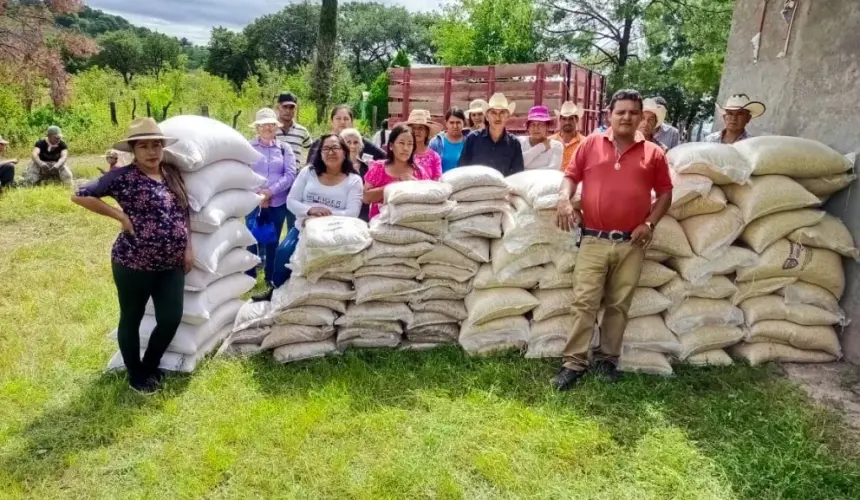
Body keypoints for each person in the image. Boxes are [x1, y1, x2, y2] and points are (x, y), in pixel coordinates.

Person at [552, 89, 673, 391]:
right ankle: (573, 363)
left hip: (632, 244)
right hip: (593, 239)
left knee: (619, 305)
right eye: (621, 112)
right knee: (584, 302)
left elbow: (666, 193)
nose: (627, 117)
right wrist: (564, 200)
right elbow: (571, 175)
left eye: (633, 112)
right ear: (610, 115)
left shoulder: (653, 153)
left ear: (641, 116)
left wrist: (649, 223)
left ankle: (608, 360)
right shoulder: (591, 143)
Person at [71, 118, 192, 394]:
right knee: (132, 317)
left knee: (171, 317)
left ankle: (150, 364)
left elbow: (185, 211)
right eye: (144, 146)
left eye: (156, 145)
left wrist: (188, 247)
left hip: (171, 264)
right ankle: (136, 375)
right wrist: (119, 215)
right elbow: (80, 195)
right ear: (133, 150)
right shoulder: (122, 177)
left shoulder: (172, 173)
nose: (151, 152)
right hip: (133, 262)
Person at [264, 134, 364, 296]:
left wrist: (320, 217)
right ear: (320, 153)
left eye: (335, 148)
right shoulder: (308, 173)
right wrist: (309, 211)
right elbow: (291, 201)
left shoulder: (353, 180)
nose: (331, 152)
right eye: (326, 148)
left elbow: (352, 213)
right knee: (283, 253)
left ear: (344, 152)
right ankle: (276, 293)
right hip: (302, 229)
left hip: (336, 232)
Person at [246, 108, 297, 287]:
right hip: (253, 201)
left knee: (273, 240)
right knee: (251, 238)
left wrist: (270, 192)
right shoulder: (249, 148)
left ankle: (270, 276)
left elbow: (290, 174)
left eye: (271, 124)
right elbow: (244, 172)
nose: (267, 128)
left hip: (278, 202)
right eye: (263, 125)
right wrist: (259, 193)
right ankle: (249, 275)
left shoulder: (284, 149)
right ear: (257, 128)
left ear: (276, 127)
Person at [363, 124, 432, 220]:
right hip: (380, 226)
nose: (406, 148)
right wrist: (395, 186)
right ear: (391, 146)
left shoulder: (419, 172)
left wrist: (415, 183)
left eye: (410, 144)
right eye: (401, 143)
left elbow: (430, 197)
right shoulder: (378, 168)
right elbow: (366, 198)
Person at [457, 93, 524, 176]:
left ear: (507, 117)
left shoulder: (514, 143)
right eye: (493, 113)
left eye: (502, 113)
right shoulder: (473, 139)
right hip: (476, 187)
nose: (498, 117)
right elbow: (462, 168)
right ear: (487, 117)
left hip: (502, 188)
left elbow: (517, 174)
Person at [306, 105, 385, 165]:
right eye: (338, 118)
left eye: (346, 119)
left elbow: (385, 158)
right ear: (331, 121)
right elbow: (309, 167)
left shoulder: (361, 142)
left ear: (352, 122)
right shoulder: (320, 143)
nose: (342, 122)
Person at [340, 127, 371, 222]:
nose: (352, 146)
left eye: (356, 142)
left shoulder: (367, 167)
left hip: (363, 214)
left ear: (361, 145)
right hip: (341, 212)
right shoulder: (336, 167)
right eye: (348, 142)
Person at [519, 105, 564, 170]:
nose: (536, 128)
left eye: (541, 124)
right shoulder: (520, 142)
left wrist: (525, 171)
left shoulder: (556, 146)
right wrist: (541, 147)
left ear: (547, 127)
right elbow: (518, 164)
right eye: (532, 124)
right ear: (528, 127)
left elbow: (553, 170)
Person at [274, 92, 313, 164]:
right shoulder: (269, 129)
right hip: (273, 174)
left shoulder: (302, 131)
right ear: (278, 107)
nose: (288, 110)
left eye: (291, 107)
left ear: (296, 109)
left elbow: (313, 150)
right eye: (284, 107)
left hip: (296, 174)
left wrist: (308, 167)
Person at [405, 109, 443, 180]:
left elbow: (438, 183)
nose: (417, 131)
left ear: (427, 132)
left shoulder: (434, 157)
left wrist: (416, 181)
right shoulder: (403, 153)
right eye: (413, 128)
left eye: (421, 128)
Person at [429, 107, 468, 173]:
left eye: (458, 122)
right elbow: (429, 166)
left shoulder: (470, 141)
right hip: (441, 182)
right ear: (446, 123)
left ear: (463, 123)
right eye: (451, 123)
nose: (455, 126)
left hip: (464, 182)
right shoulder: (436, 142)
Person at [550, 102, 586, 171]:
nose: (567, 122)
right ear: (560, 120)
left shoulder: (584, 143)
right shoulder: (550, 141)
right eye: (564, 119)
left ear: (577, 120)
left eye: (571, 119)